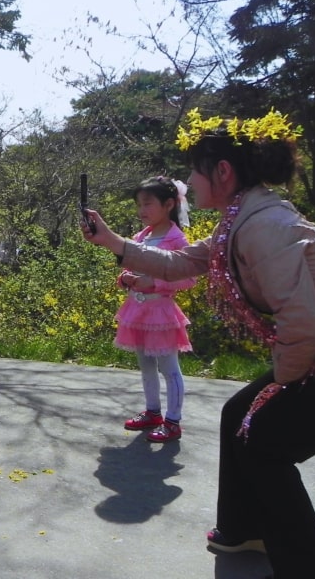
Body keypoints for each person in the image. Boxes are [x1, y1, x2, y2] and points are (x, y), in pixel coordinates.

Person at [81, 109, 315, 579]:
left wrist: (283, 385)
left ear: (223, 172)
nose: (189, 183)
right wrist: (113, 240)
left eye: (196, 171)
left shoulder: (263, 226)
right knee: (238, 413)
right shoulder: (243, 216)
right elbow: (178, 264)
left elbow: (302, 328)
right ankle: (245, 529)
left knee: (261, 444)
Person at [115, 176, 196, 443]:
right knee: (146, 364)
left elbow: (189, 277)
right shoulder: (142, 236)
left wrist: (155, 282)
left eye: (148, 204)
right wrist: (127, 277)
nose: (141, 210)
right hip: (137, 310)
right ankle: (153, 412)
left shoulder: (176, 239)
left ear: (169, 204)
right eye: (139, 204)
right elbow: (135, 265)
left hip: (160, 312)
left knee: (169, 367)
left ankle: (173, 421)